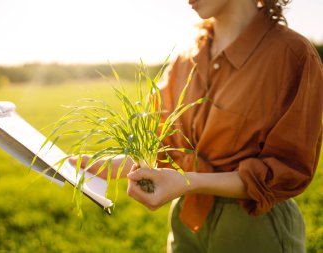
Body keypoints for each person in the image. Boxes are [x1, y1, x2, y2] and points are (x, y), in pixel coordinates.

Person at [70, 0, 323, 252]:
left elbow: (286, 170)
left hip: (255, 227)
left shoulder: (292, 55)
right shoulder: (187, 55)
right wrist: (116, 165)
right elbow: (163, 142)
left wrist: (189, 181)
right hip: (187, 219)